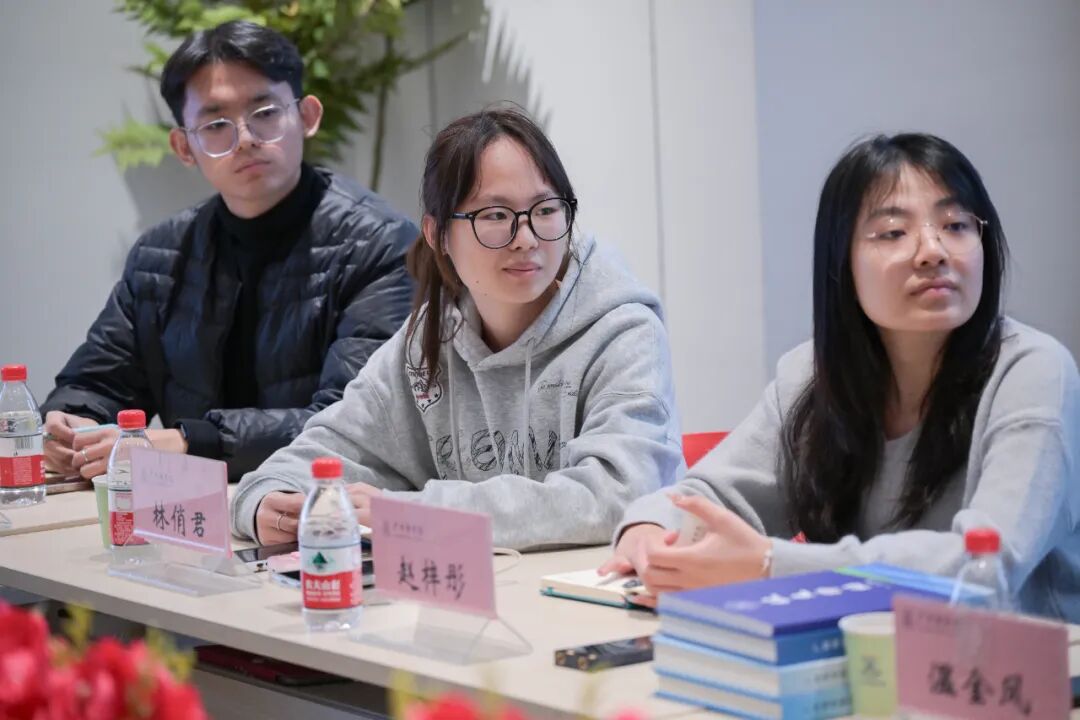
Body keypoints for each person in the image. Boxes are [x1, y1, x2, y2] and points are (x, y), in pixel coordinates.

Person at [603, 133, 1080, 620]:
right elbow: (710, 497)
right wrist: (648, 531)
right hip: (872, 649)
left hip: (1021, 658)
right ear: (841, 263)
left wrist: (772, 566)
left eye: (956, 225)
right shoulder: (814, 375)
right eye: (893, 232)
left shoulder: (1034, 372)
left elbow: (983, 567)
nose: (933, 250)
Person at [231, 107, 684, 550]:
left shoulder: (622, 331)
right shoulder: (428, 340)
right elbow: (323, 452)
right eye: (495, 216)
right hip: (485, 593)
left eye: (546, 209)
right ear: (437, 234)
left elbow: (620, 492)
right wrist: (265, 503)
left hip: (597, 591)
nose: (527, 238)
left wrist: (417, 515)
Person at [41, 21, 415, 481]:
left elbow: (353, 420)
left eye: (265, 112)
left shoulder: (382, 244)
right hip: (189, 503)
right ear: (184, 146)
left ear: (307, 116)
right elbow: (96, 383)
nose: (245, 138)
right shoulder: (161, 255)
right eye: (216, 124)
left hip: (322, 500)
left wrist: (191, 442)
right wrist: (73, 423)